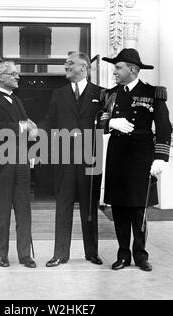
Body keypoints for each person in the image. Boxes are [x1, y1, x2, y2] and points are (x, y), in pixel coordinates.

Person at [100, 48, 172, 272]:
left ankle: (140, 255)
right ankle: (123, 255)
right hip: (117, 155)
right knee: (120, 208)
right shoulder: (109, 94)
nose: (115, 72)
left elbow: (164, 127)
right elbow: (96, 120)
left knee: (138, 209)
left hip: (141, 156)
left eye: (118, 68)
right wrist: (109, 123)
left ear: (133, 70)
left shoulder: (153, 93)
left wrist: (161, 158)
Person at [40, 51, 104, 267]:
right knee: (63, 206)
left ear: (84, 67)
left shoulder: (101, 94)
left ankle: (92, 253)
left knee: (90, 207)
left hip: (90, 158)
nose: (65, 66)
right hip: (64, 157)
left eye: (70, 63)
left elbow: (106, 124)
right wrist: (33, 133)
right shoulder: (58, 94)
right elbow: (49, 122)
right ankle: (60, 254)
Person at [0, 61, 37, 268]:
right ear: (0, 77)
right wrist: (24, 125)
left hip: (20, 163)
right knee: (2, 213)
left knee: (24, 211)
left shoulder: (18, 101)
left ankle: (25, 255)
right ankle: (2, 255)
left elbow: (26, 132)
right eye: (13, 74)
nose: (17, 77)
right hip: (1, 165)